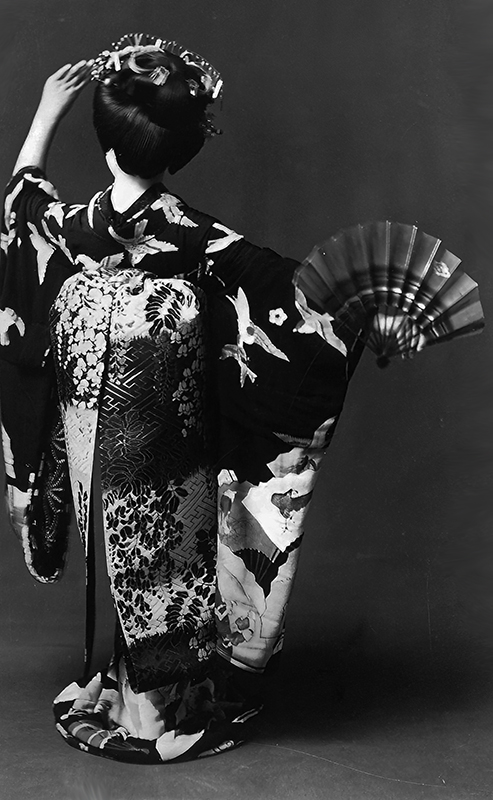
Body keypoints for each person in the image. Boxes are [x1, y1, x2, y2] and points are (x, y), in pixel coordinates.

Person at [0, 34, 364, 763]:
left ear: (106, 147)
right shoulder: (193, 233)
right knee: (169, 560)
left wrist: (44, 116)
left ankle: (137, 692)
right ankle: (159, 711)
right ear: (180, 153)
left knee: (123, 549)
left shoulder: (79, 225)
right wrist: (364, 312)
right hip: (169, 427)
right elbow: (292, 292)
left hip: (91, 423)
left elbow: (21, 203)